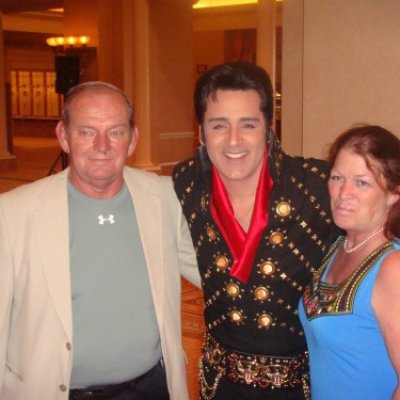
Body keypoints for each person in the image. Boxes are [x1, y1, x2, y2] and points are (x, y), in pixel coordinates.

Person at [0, 81, 200, 400]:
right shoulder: (13, 213)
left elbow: (213, 272)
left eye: (116, 132)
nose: (102, 146)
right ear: (64, 136)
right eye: (86, 131)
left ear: (132, 140)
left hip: (151, 388)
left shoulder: (164, 198)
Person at [173, 62, 339, 399]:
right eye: (219, 125)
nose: (233, 141)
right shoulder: (187, 183)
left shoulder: (317, 186)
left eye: (248, 125)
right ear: (201, 132)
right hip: (221, 384)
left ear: (268, 128)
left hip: (301, 386)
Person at [299, 125, 400, 399]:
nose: (344, 193)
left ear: (393, 193)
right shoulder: (339, 246)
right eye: (337, 177)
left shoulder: (393, 268)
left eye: (362, 182)